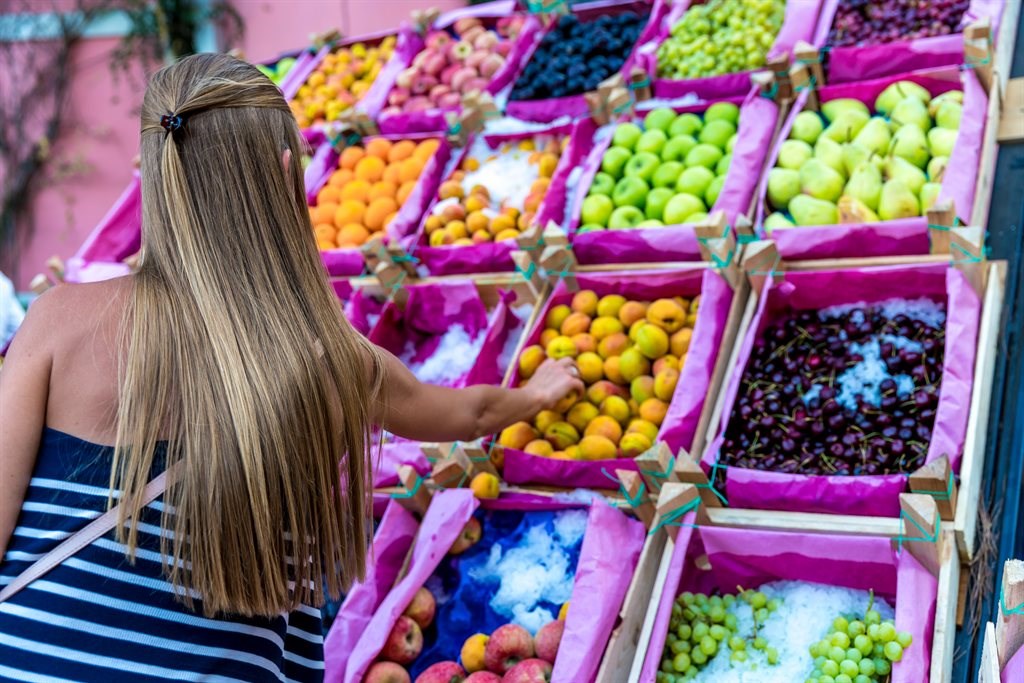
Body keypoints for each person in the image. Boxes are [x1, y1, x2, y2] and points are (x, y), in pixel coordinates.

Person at [0, 53, 582, 682]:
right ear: (285, 177)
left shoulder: (56, 320)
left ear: (159, 179)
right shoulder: (332, 363)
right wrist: (539, 392)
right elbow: (472, 413)